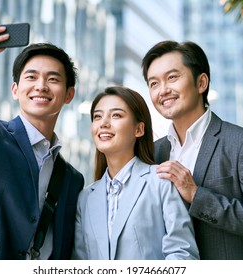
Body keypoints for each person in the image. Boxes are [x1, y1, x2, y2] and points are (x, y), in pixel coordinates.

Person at [0, 22, 84, 259]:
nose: (41, 86)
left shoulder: (72, 178)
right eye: (31, 77)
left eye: (53, 79)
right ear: (15, 89)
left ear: (68, 94)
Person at [141, 40, 243, 260]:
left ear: (201, 83)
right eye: (154, 83)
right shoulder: (152, 153)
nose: (163, 90)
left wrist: (197, 195)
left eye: (172, 77)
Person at [72, 86, 199, 260]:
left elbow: (182, 254)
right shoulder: (85, 198)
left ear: (139, 129)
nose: (103, 123)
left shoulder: (161, 182)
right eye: (97, 116)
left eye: (116, 115)